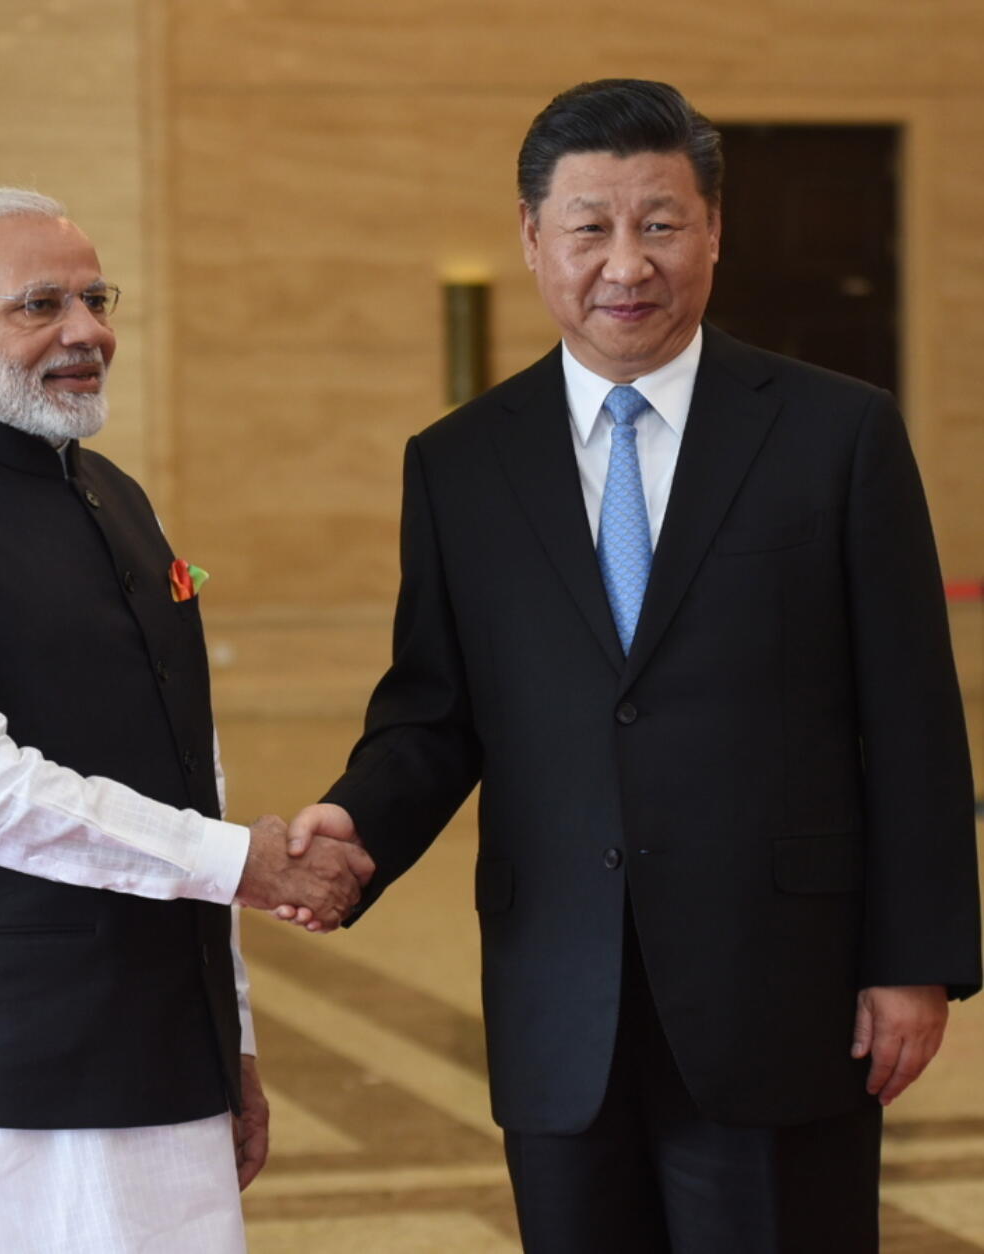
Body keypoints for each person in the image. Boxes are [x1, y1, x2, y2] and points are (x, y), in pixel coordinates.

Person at [285, 80, 983, 1252]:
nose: (626, 264)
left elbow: (909, 715)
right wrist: (352, 827)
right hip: (561, 996)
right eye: (588, 228)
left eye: (658, 224)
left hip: (783, 990)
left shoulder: (834, 433)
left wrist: (914, 961)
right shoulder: (458, 465)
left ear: (714, 230)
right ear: (529, 238)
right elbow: (434, 713)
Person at [0, 186, 372, 1254]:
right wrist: (240, 861)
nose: (85, 333)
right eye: (39, 306)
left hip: (160, 1057)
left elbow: (182, 782)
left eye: (95, 299)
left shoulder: (117, 497)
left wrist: (230, 1042)